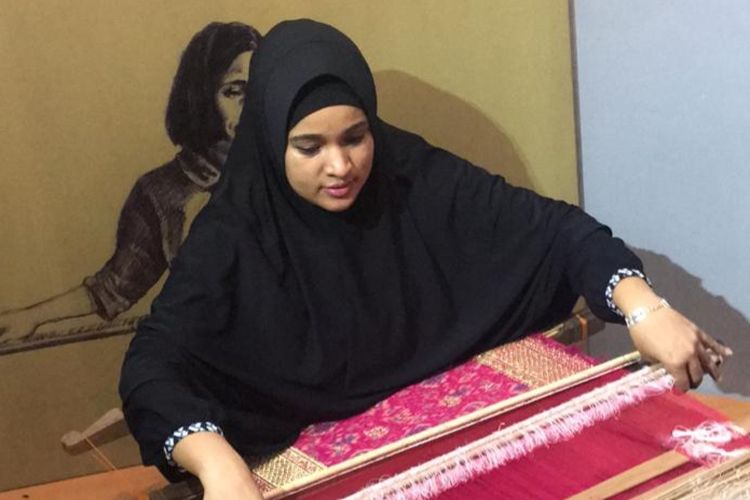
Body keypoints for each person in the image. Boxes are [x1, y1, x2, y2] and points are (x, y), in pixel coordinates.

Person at [119, 19, 731, 499]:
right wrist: (218, 464)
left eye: (355, 137)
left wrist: (646, 308)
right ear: (269, 139)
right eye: (309, 147)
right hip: (332, 471)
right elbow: (153, 365)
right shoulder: (234, 233)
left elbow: (560, 231)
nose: (341, 167)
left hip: (478, 440)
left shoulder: (408, 175)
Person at [0, 22, 261, 343]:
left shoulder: (300, 168)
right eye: (234, 91)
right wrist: (31, 317)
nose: (251, 105)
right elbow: (113, 288)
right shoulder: (163, 192)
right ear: (201, 96)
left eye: (259, 88)